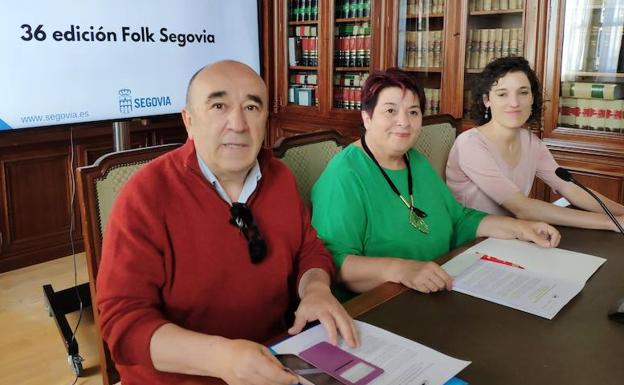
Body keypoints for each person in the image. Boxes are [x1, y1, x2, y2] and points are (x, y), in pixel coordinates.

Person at [96, 60, 358, 385]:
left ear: (265, 121)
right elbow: (123, 325)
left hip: (278, 362)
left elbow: (309, 250)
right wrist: (222, 358)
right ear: (189, 121)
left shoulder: (279, 178)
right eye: (219, 105)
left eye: (251, 107)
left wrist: (316, 288)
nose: (238, 123)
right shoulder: (145, 195)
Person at [310, 67, 561, 300]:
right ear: (366, 117)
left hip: (438, 286)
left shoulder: (414, 160)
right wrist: (402, 270)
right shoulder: (343, 176)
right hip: (377, 304)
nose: (404, 122)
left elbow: (459, 218)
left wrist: (521, 229)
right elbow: (332, 262)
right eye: (390, 110)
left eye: (413, 112)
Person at [446, 56, 624, 230]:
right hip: (472, 242)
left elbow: (571, 189)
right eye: (502, 94)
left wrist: (621, 213)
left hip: (518, 234)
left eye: (523, 92)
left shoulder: (532, 142)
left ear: (532, 98)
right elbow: (522, 207)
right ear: (487, 101)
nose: (514, 103)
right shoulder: (470, 144)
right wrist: (610, 223)